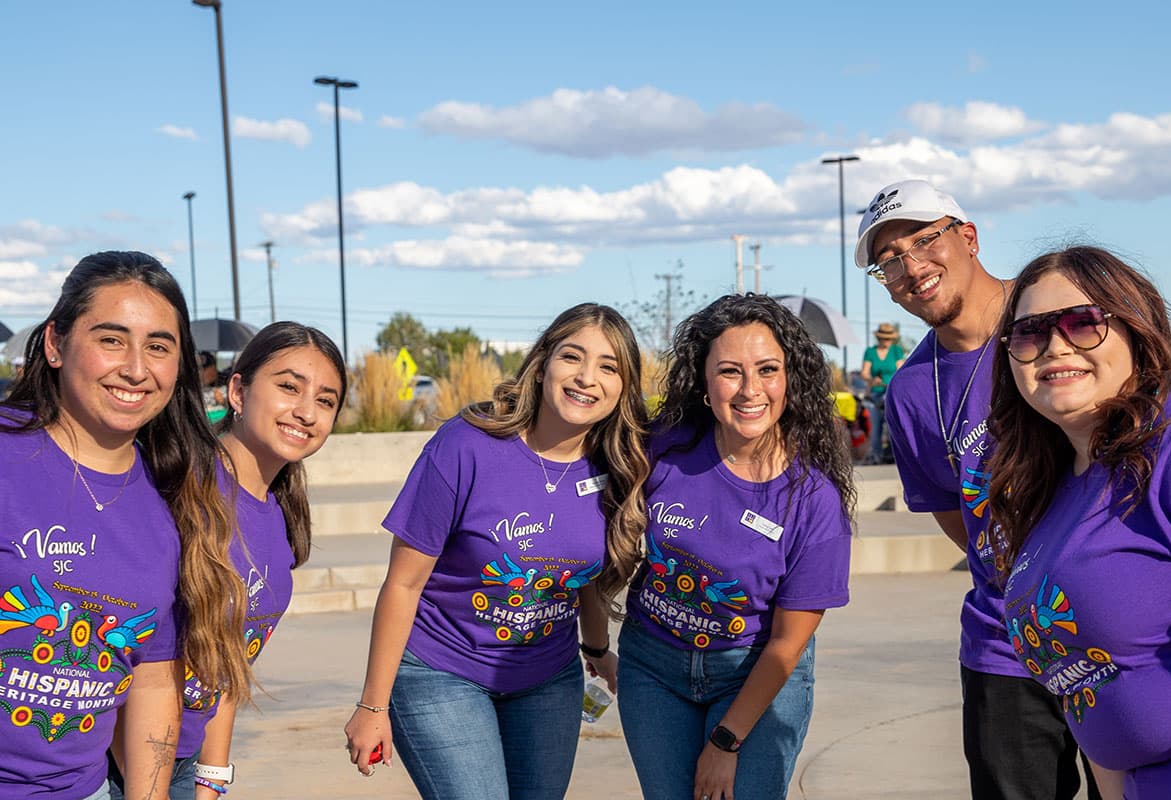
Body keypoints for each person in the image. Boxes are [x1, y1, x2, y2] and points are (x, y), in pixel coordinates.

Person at [343, 303, 649, 798]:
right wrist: (373, 705)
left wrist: (596, 649)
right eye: (573, 357)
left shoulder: (616, 466)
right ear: (544, 362)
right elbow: (403, 583)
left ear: (623, 386)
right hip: (441, 673)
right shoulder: (467, 445)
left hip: (549, 680)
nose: (587, 378)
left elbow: (585, 577)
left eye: (609, 367)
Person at [855, 180, 1098, 798]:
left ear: (968, 236)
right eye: (889, 261)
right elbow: (961, 520)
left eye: (923, 239)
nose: (910, 266)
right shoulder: (912, 389)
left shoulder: (1064, 318)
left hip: (1120, 626)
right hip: (1006, 642)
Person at [0, 251, 251, 800]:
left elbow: (155, 680)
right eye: (111, 339)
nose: (137, 368)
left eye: (159, 347)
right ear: (54, 344)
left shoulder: (173, 505)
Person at [617, 293, 854, 800]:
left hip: (754, 675)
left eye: (768, 369)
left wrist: (726, 744)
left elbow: (787, 645)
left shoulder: (814, 501)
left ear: (791, 379)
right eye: (730, 372)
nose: (751, 390)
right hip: (653, 670)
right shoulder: (664, 448)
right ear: (703, 382)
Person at [989, 247, 1171, 799]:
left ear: (1135, 328)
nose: (1055, 345)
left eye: (1083, 322)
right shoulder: (1053, 488)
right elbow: (1085, 690)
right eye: (1030, 333)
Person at [109, 323, 348, 798]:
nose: (305, 411)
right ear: (238, 390)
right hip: (122, 766)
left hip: (185, 761)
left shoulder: (282, 516)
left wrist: (211, 783)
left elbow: (229, 666)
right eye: (288, 387)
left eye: (325, 400)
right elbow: (127, 655)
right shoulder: (180, 485)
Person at [860, 321, 905, 463]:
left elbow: (901, 369)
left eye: (889, 338)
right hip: (875, 393)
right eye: (883, 338)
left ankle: (894, 455)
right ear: (879, 338)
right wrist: (872, 379)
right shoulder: (870, 352)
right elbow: (864, 373)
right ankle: (877, 456)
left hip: (891, 393)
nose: (886, 341)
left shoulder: (896, 351)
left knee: (893, 425)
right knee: (876, 426)